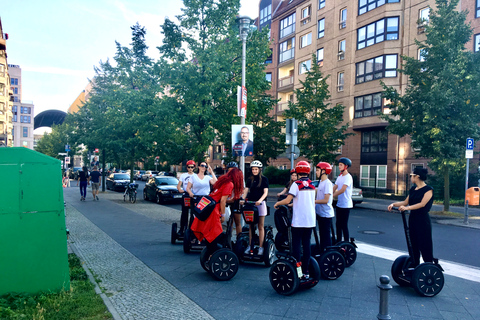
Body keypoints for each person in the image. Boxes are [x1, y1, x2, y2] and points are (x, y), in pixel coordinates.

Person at [274, 161, 316, 279]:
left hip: (299, 220)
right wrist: (294, 204)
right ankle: (306, 271)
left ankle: (298, 271)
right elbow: (306, 200)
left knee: (296, 244)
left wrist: (278, 203)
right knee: (306, 244)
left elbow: (287, 200)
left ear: (297, 171)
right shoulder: (312, 184)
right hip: (310, 220)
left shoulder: (296, 184)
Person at [191, 168, 244, 257]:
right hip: (214, 209)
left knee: (208, 231)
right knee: (214, 233)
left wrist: (230, 200)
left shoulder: (222, 181)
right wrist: (223, 215)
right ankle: (213, 254)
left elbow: (219, 197)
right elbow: (223, 200)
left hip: (208, 205)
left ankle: (211, 253)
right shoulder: (230, 184)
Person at [388, 167, 434, 267]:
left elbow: (422, 204)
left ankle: (428, 265)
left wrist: (407, 208)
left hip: (423, 220)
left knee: (424, 243)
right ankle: (415, 264)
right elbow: (405, 202)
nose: (410, 177)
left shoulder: (428, 190)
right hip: (413, 219)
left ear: (417, 176)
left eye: (411, 176)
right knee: (413, 243)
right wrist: (393, 204)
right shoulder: (413, 189)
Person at [241, 160, 269, 255]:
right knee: (251, 226)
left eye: (256, 169)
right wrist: (242, 199)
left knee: (260, 226)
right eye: (253, 169)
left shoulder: (264, 179)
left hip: (260, 204)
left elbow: (265, 192)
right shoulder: (250, 179)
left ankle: (261, 247)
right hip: (251, 204)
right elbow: (246, 190)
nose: (254, 171)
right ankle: (250, 245)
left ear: (260, 170)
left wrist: (260, 201)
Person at [314, 162, 334, 252]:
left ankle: (328, 254)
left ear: (324, 171)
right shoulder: (321, 182)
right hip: (320, 212)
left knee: (326, 236)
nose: (316, 172)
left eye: (318, 170)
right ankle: (322, 252)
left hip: (326, 214)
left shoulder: (328, 183)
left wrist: (313, 201)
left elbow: (326, 200)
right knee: (321, 234)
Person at [332, 157, 353, 243]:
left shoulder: (348, 177)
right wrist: (328, 193)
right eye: (339, 165)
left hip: (346, 204)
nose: (339, 166)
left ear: (346, 166)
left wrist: (331, 196)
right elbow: (335, 187)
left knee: (344, 225)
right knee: (338, 224)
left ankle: (346, 243)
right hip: (339, 204)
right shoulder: (340, 177)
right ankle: (339, 242)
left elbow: (342, 190)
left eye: (341, 165)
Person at [176, 160, 196, 236]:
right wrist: (180, 189)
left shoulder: (196, 176)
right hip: (185, 195)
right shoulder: (183, 175)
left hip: (194, 196)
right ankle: (182, 229)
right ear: (187, 167)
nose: (190, 169)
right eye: (189, 167)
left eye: (192, 167)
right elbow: (179, 185)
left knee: (193, 214)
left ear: (194, 168)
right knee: (184, 213)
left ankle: (191, 230)